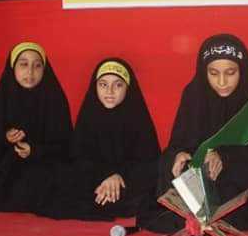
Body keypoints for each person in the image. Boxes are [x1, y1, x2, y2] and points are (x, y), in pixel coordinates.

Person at [142, 33, 248, 233]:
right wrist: (179, 154)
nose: (222, 81)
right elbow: (179, 142)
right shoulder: (194, 95)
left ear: (242, 71)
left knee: (233, 204)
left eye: (230, 73)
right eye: (213, 73)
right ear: (204, 72)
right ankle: (200, 213)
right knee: (168, 166)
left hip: (237, 186)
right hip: (198, 180)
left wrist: (224, 157)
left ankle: (202, 215)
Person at [39, 58, 159, 220]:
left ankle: (107, 199)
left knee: (150, 185)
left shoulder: (137, 118)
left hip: (126, 182)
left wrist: (118, 176)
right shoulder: (89, 116)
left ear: (128, 88)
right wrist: (105, 176)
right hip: (94, 180)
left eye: (118, 85)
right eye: (103, 84)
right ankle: (107, 197)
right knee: (58, 177)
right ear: (95, 87)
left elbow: (148, 162)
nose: (109, 91)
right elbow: (79, 157)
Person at [0, 42, 73, 214]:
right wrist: (6, 137)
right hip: (9, 168)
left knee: (54, 183)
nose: (30, 72)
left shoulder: (55, 99)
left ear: (44, 69)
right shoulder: (4, 98)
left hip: (46, 167)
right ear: (13, 67)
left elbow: (66, 148)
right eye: (23, 64)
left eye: (37, 66)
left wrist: (35, 150)